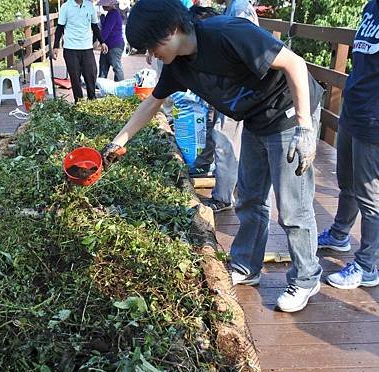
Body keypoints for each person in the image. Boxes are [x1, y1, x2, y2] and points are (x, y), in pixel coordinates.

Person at [101, 0, 324, 312]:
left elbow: (295, 64)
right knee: (249, 197)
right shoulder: (177, 66)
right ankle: (247, 266)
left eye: (151, 47)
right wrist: (116, 144)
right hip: (257, 119)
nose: (150, 57)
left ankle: (306, 278)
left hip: (289, 112)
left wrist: (304, 127)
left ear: (171, 30)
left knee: (292, 207)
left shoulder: (226, 34)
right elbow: (151, 103)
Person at [318, 0, 379, 290]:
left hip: (378, 115)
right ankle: (339, 235)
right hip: (353, 108)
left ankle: (367, 266)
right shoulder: (371, 7)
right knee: (346, 182)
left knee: (370, 195)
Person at [200, 0, 259, 213]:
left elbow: (246, 48)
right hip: (233, 89)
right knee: (226, 138)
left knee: (223, 139)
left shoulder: (240, 8)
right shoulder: (234, 6)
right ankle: (228, 188)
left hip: (238, 90)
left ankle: (223, 197)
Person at [53, 0, 109, 102]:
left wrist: (102, 42)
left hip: (87, 47)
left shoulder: (89, 6)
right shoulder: (66, 7)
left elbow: (95, 26)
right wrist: (55, 46)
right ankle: (78, 102)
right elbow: (60, 28)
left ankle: (92, 99)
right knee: (75, 77)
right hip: (70, 48)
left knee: (91, 74)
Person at [98, 0, 124, 82]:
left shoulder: (113, 14)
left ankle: (120, 85)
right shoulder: (111, 14)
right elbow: (106, 28)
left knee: (115, 66)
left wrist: (101, 41)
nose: (103, 6)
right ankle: (101, 84)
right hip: (108, 44)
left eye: (104, 5)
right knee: (103, 65)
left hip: (114, 45)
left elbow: (106, 30)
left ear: (111, 4)